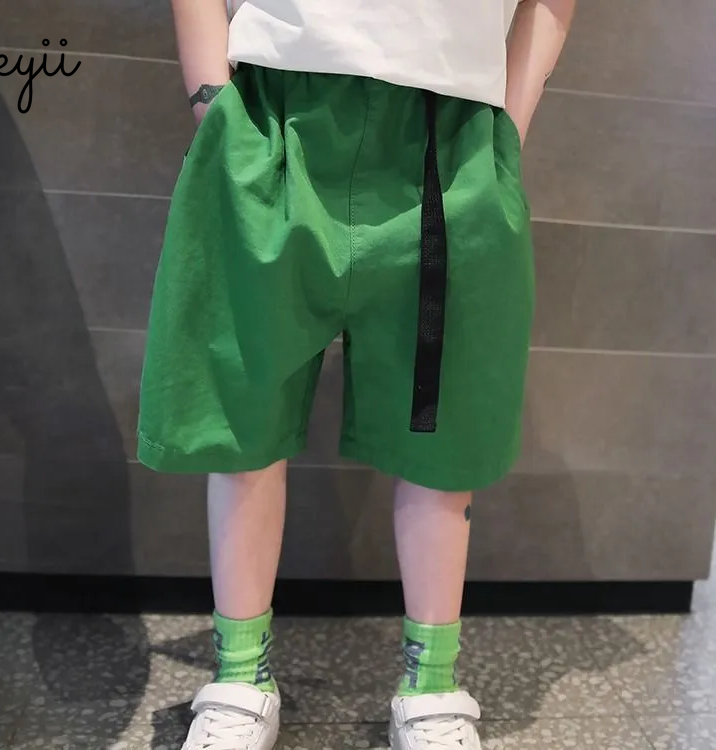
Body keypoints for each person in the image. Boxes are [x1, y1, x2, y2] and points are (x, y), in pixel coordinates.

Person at [137, 1, 576, 747]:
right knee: (244, 412)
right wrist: (212, 100)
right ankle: (240, 677)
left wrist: (505, 127)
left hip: (455, 132)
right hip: (275, 113)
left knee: (442, 431)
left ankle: (432, 687)